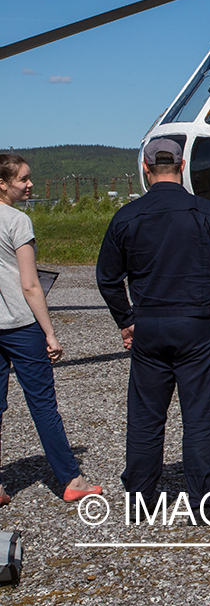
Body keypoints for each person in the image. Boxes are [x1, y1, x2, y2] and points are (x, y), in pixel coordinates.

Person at [95, 139, 210, 514]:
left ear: (146, 168)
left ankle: (140, 499)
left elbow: (108, 278)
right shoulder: (208, 213)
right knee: (201, 418)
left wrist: (126, 321)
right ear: (182, 165)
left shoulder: (127, 216)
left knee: (145, 417)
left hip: (150, 326)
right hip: (197, 327)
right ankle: (203, 503)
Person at [0, 155, 101, 505]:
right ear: (3, 183)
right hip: (20, 324)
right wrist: (50, 333)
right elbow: (30, 285)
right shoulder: (17, 221)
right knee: (43, 405)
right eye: (23, 179)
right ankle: (71, 478)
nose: (29, 184)